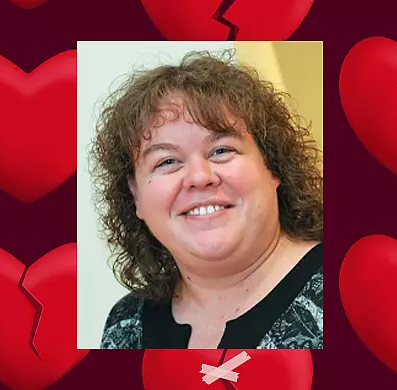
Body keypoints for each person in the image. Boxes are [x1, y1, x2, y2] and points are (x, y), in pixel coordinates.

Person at [89, 49, 323, 349]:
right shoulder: (125, 325)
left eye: (221, 150)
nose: (200, 176)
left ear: (273, 166)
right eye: (167, 162)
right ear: (136, 196)